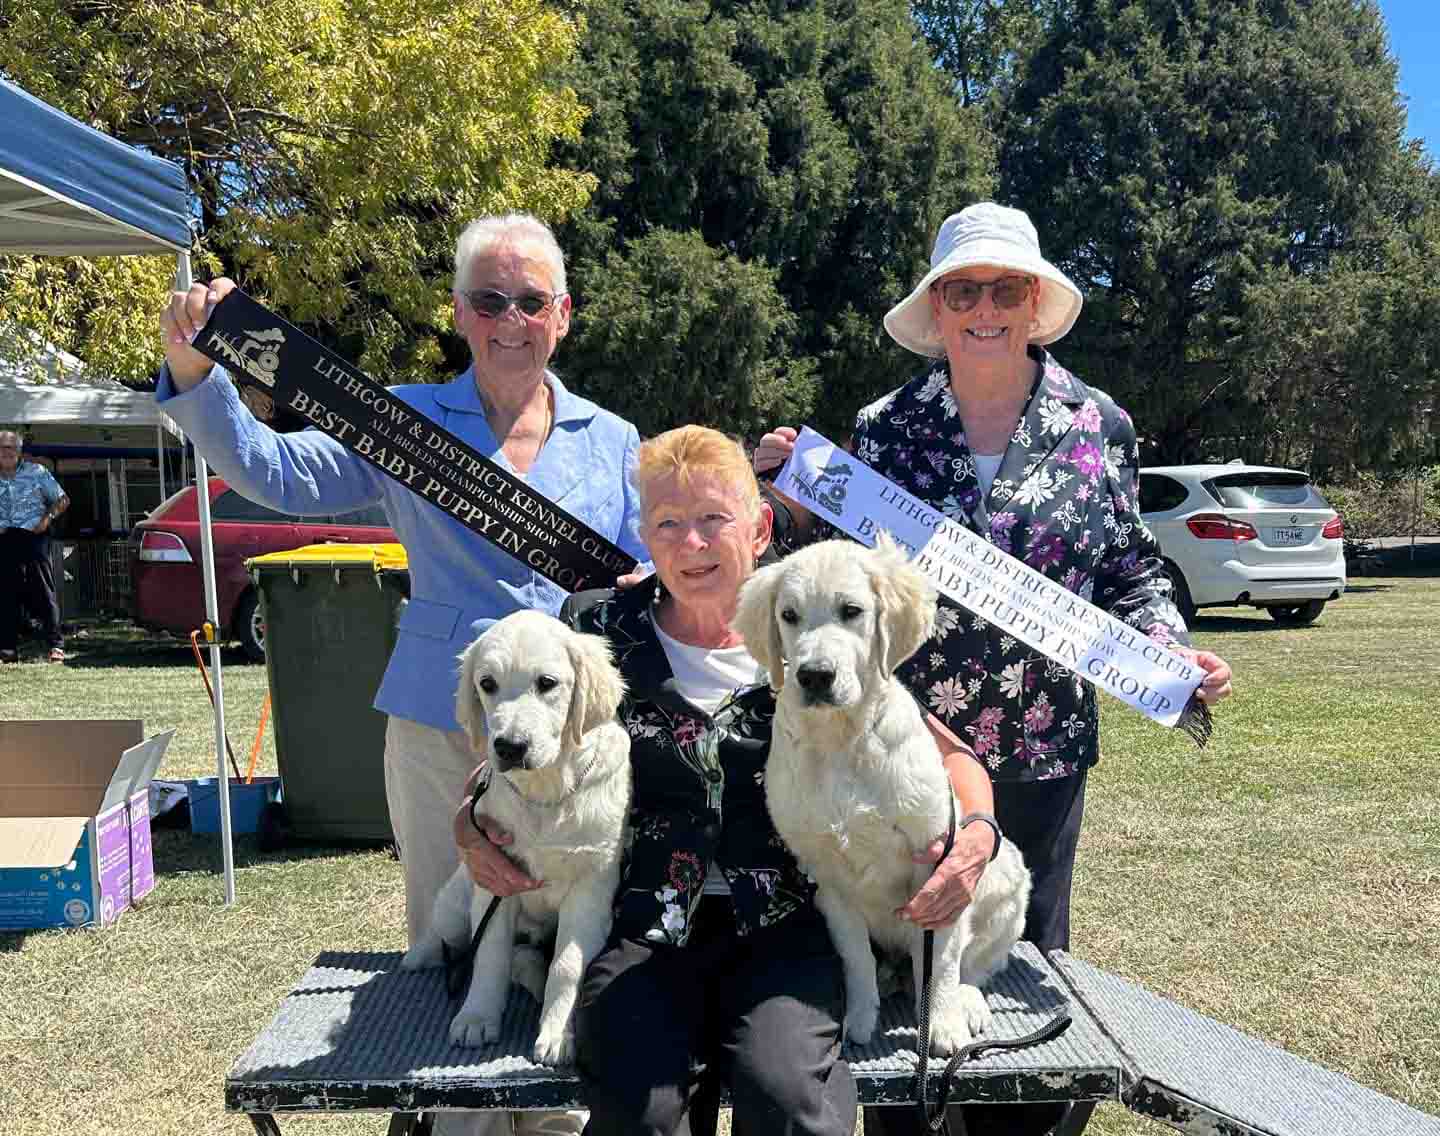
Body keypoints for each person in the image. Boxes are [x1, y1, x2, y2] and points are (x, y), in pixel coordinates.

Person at [156, 213, 647, 1136]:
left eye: (530, 300)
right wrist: (197, 373)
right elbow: (279, 473)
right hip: (438, 723)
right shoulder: (402, 419)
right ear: (459, 314)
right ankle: (453, 1118)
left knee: (563, 944)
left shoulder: (613, 439)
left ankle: (552, 1119)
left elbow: (645, 568)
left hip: (569, 741)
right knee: (450, 944)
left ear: (563, 314)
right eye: (488, 300)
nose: (510, 320)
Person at [754, 202, 1234, 1136]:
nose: (983, 309)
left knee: (1020, 990)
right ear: (935, 308)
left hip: (1041, 752)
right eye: (962, 291)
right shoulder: (884, 427)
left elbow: (1129, 566)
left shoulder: (1100, 423)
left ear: (1034, 301)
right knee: (906, 1005)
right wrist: (792, 499)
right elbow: (838, 580)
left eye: (1004, 290)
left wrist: (1167, 647)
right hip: (908, 748)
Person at [458, 425, 1004, 1135]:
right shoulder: (599, 631)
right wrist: (467, 825)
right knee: (637, 1108)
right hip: (643, 922)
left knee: (789, 1099)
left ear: (759, 527)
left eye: (712, 518)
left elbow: (949, 754)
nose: (691, 543)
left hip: (787, 921)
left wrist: (977, 836)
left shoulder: (805, 628)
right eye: (667, 523)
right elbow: (518, 746)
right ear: (645, 538)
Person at [0, 430, 69, 664]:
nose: (6, 451)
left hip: (34, 535)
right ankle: (7, 647)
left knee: (43, 589)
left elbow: (62, 500)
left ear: (19, 451)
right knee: (6, 592)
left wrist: (47, 519)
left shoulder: (36, 472)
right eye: (2, 447)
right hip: (4, 537)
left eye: (11, 447)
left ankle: (55, 644)